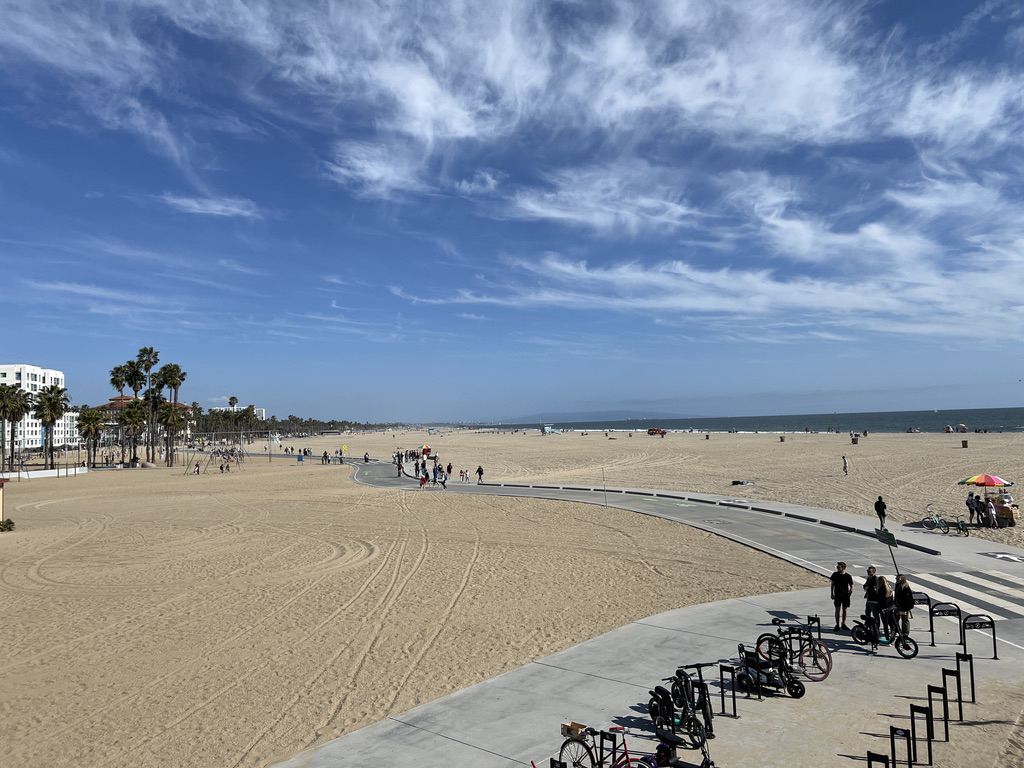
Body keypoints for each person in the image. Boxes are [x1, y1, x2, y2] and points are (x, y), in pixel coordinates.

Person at [829, 561, 853, 630]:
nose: (837, 568)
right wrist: (832, 593)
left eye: (838, 567)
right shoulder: (835, 574)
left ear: (843, 568)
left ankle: (843, 623)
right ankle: (837, 624)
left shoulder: (848, 576)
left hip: (845, 595)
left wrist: (850, 593)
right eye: (837, 567)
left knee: (845, 609)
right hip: (837, 594)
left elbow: (851, 585)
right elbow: (832, 584)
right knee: (837, 609)